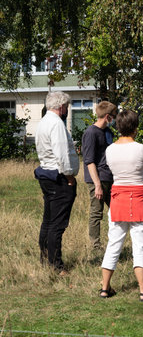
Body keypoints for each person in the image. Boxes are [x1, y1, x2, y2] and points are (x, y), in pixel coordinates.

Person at [99, 109, 143, 301]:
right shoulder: (142, 149)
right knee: (140, 245)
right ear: (135, 128)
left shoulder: (110, 149)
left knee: (114, 243)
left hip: (118, 197)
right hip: (139, 198)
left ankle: (105, 287)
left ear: (118, 127)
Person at [34, 91, 79, 274]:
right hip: (58, 177)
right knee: (57, 224)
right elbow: (61, 153)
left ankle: (45, 259)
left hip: (47, 174)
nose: (67, 110)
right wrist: (69, 176)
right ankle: (56, 266)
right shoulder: (57, 124)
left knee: (48, 221)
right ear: (62, 107)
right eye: (67, 107)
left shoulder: (43, 121)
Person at [81, 101, 118, 250]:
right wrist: (97, 185)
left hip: (110, 178)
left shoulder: (108, 132)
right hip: (97, 179)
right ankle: (95, 246)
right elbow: (89, 161)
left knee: (116, 211)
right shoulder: (90, 133)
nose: (115, 120)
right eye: (114, 117)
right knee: (97, 213)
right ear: (108, 117)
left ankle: (114, 242)